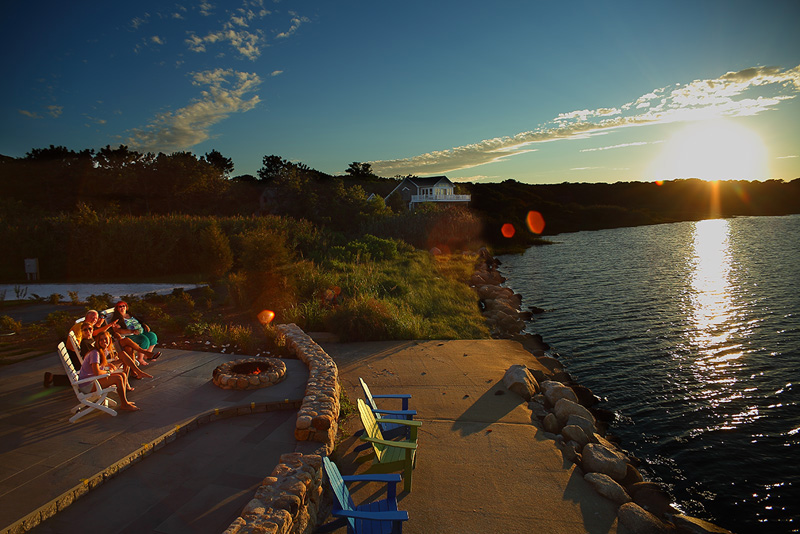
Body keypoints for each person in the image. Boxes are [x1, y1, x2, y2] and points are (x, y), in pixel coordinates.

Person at [77, 331, 138, 411]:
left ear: (109, 339)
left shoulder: (102, 351)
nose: (104, 341)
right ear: (97, 342)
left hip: (92, 380)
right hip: (87, 385)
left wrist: (108, 365)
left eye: (106, 339)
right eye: (101, 340)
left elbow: (100, 364)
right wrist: (109, 372)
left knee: (122, 374)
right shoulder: (95, 353)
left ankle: (125, 401)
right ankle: (124, 404)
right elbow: (97, 372)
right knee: (118, 378)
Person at [110, 301, 159, 366]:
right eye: (120, 306)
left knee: (152, 336)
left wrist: (144, 325)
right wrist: (131, 331)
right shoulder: (117, 318)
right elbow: (117, 330)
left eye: (124, 306)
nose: (122, 308)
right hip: (130, 335)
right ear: (117, 308)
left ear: (126, 307)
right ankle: (140, 358)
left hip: (140, 331)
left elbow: (139, 321)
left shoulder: (130, 314)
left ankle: (147, 355)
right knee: (144, 340)